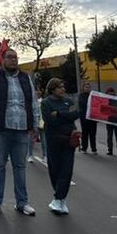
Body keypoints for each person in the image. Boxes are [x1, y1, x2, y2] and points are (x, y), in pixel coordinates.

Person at [0, 48, 40, 216]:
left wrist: (35, 125)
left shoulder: (25, 78)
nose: (13, 60)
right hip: (1, 129)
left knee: (20, 167)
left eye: (15, 57)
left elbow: (33, 102)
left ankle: (22, 202)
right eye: (10, 57)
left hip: (21, 129)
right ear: (3, 60)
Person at [41, 78, 78, 214]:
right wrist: (67, 117)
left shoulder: (69, 101)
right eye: (60, 87)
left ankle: (59, 199)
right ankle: (59, 198)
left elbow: (75, 114)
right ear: (52, 89)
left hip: (69, 140)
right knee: (55, 169)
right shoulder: (46, 103)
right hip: (53, 140)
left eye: (63, 87)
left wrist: (60, 114)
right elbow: (50, 120)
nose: (63, 89)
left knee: (67, 170)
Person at [76, 81, 98, 154]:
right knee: (85, 134)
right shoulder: (81, 96)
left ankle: (94, 149)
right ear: (83, 88)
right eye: (86, 87)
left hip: (92, 119)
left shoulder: (93, 95)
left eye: (88, 87)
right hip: (84, 118)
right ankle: (84, 148)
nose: (87, 88)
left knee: (93, 134)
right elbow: (82, 104)